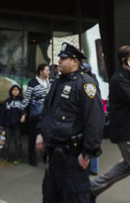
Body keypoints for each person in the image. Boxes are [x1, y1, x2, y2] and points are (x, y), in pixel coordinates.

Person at [36, 42, 105, 203]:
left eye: (63, 58)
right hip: (53, 155)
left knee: (74, 197)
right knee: (51, 196)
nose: (59, 61)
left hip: (73, 156)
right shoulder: (58, 82)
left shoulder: (86, 84)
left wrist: (88, 152)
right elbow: (47, 111)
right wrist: (40, 133)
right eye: (59, 58)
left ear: (75, 61)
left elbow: (95, 121)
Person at [91, 45, 130, 203]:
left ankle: (93, 188)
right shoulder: (119, 80)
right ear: (125, 61)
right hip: (127, 132)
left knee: (128, 167)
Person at [20, 63, 51, 166]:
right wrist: (23, 111)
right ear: (40, 71)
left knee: (46, 135)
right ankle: (32, 157)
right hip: (36, 114)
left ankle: (45, 156)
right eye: (46, 70)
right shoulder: (33, 83)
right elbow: (27, 98)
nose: (48, 72)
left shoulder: (50, 82)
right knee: (33, 136)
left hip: (47, 114)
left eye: (48, 70)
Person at [0, 84, 24, 164]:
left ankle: (18, 158)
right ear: (10, 91)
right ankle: (3, 157)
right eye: (13, 90)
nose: (15, 91)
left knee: (18, 142)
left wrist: (23, 116)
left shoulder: (22, 100)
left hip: (17, 125)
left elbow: (25, 110)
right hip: (7, 124)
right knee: (5, 141)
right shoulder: (7, 101)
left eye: (17, 90)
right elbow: (3, 113)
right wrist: (1, 124)